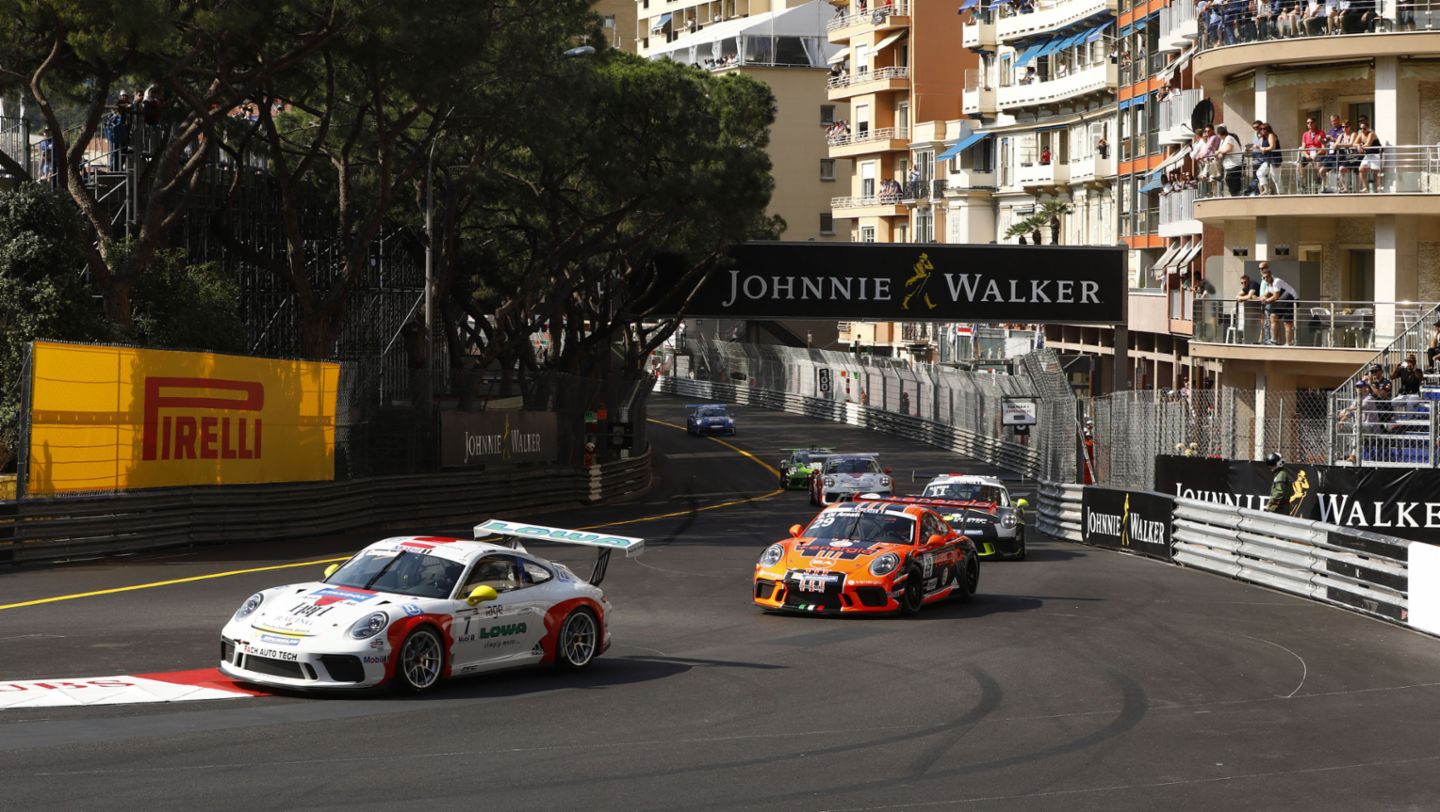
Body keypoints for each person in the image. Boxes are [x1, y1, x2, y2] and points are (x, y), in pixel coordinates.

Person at [1259, 262, 1298, 345]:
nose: (1265, 279)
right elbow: (1264, 295)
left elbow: (1276, 296)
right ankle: (1274, 340)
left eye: (1267, 277)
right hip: (1284, 300)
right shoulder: (1268, 285)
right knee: (1273, 316)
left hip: (1291, 299)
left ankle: (1289, 343)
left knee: (1287, 323)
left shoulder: (1276, 281)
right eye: (1264, 278)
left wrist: (1267, 300)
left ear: (1270, 276)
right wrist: (1252, 297)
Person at [103, 92, 134, 171]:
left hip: (123, 136)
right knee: (115, 154)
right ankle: (113, 169)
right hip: (116, 137)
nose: (124, 97)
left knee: (121, 154)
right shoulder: (115, 116)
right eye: (123, 96)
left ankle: (117, 168)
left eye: (126, 96)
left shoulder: (128, 110)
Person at [1216, 124, 1245, 196]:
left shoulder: (1229, 138)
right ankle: (1234, 195)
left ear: (1219, 134)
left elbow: (1229, 148)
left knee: (1232, 181)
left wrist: (1219, 151)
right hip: (1230, 165)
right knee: (1229, 180)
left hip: (1234, 165)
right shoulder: (1224, 140)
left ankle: (1235, 196)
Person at [1355, 119, 1382, 193]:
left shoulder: (1371, 134)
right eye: (1361, 128)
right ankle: (1365, 187)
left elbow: (1368, 144)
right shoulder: (1360, 134)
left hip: (1376, 154)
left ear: (1368, 128)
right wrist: (1358, 145)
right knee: (1361, 169)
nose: (1362, 130)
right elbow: (1354, 143)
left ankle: (1378, 188)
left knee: (1375, 171)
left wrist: (1360, 146)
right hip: (1368, 154)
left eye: (1364, 128)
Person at [1299, 117, 1326, 192]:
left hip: (1318, 154)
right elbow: (1303, 148)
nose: (1309, 124)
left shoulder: (1321, 133)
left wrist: (1316, 154)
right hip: (1308, 154)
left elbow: (1323, 148)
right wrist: (1307, 155)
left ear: (1315, 123)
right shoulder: (1305, 134)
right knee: (1299, 164)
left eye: (1311, 122)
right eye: (1308, 123)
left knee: (1318, 164)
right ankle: (1302, 182)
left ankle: (1319, 181)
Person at [1254, 121, 1281, 195]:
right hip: (1268, 159)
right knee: (1260, 173)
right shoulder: (1264, 138)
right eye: (1261, 129)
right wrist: (1259, 148)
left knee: (1275, 178)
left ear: (1268, 129)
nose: (1262, 130)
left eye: (1264, 129)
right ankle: (1266, 189)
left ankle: (1280, 193)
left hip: (1274, 159)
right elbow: (1264, 149)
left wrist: (1263, 149)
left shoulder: (1271, 135)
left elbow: (1272, 146)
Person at [1236, 272, 1264, 342]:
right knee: (1255, 324)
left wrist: (1243, 298)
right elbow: (1237, 296)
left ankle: (1262, 339)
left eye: (1245, 282)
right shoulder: (1246, 287)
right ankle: (1254, 340)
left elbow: (1249, 296)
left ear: (1248, 281)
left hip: (1263, 305)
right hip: (1255, 308)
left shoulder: (1252, 284)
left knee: (1263, 323)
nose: (1243, 284)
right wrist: (1244, 298)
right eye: (1242, 283)